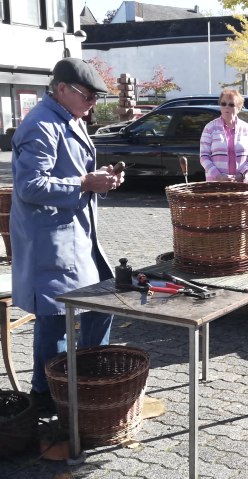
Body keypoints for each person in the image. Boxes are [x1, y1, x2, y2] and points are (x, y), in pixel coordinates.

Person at [10, 58, 125, 414]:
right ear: (61, 89)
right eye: (87, 95)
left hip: (76, 233)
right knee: (56, 317)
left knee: (102, 302)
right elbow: (30, 185)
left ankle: (89, 377)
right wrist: (85, 182)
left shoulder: (66, 118)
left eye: (95, 97)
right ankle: (47, 396)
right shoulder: (41, 124)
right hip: (51, 239)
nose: (92, 103)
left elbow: (72, 173)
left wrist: (99, 178)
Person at [199, 89, 248, 183]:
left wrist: (242, 175)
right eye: (223, 104)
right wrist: (218, 176)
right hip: (216, 185)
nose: (227, 107)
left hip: (243, 185)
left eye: (231, 104)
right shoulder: (210, 128)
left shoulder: (247, 129)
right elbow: (204, 156)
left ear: (239, 108)